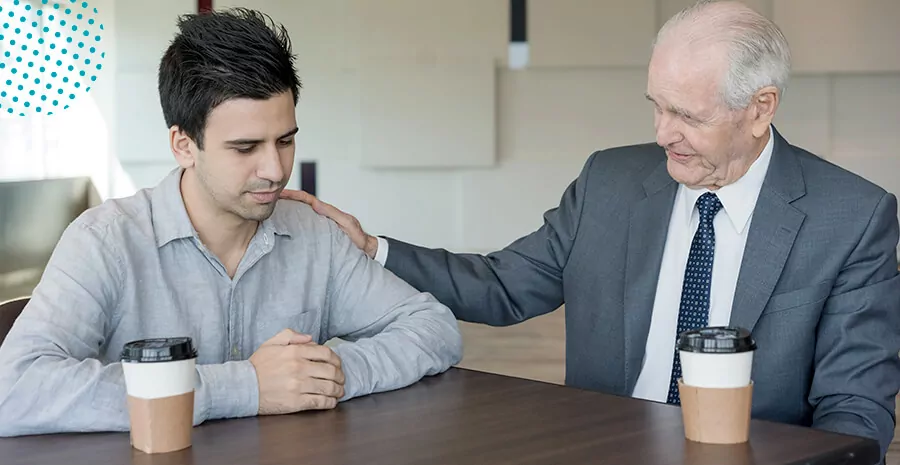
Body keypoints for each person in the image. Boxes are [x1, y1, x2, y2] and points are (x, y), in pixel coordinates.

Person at [281, 0, 900, 457]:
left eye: (686, 115)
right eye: (656, 106)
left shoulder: (852, 218)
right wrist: (373, 249)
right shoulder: (609, 180)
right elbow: (501, 285)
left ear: (760, 108)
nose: (662, 134)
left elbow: (855, 413)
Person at [0, 8, 462, 436]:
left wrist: (323, 375)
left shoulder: (314, 234)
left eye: (285, 141)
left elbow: (434, 328)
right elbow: (14, 391)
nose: (275, 170)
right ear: (184, 145)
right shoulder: (104, 241)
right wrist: (246, 387)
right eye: (245, 148)